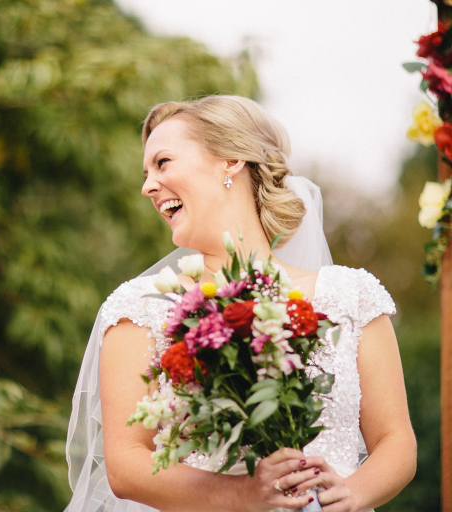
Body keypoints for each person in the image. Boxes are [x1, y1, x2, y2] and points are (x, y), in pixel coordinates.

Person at [65, 96, 416, 512]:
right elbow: (125, 465)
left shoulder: (350, 296)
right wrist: (241, 495)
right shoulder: (141, 307)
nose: (147, 186)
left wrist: (351, 494)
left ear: (230, 159)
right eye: (146, 173)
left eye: (162, 163)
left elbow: (396, 442)